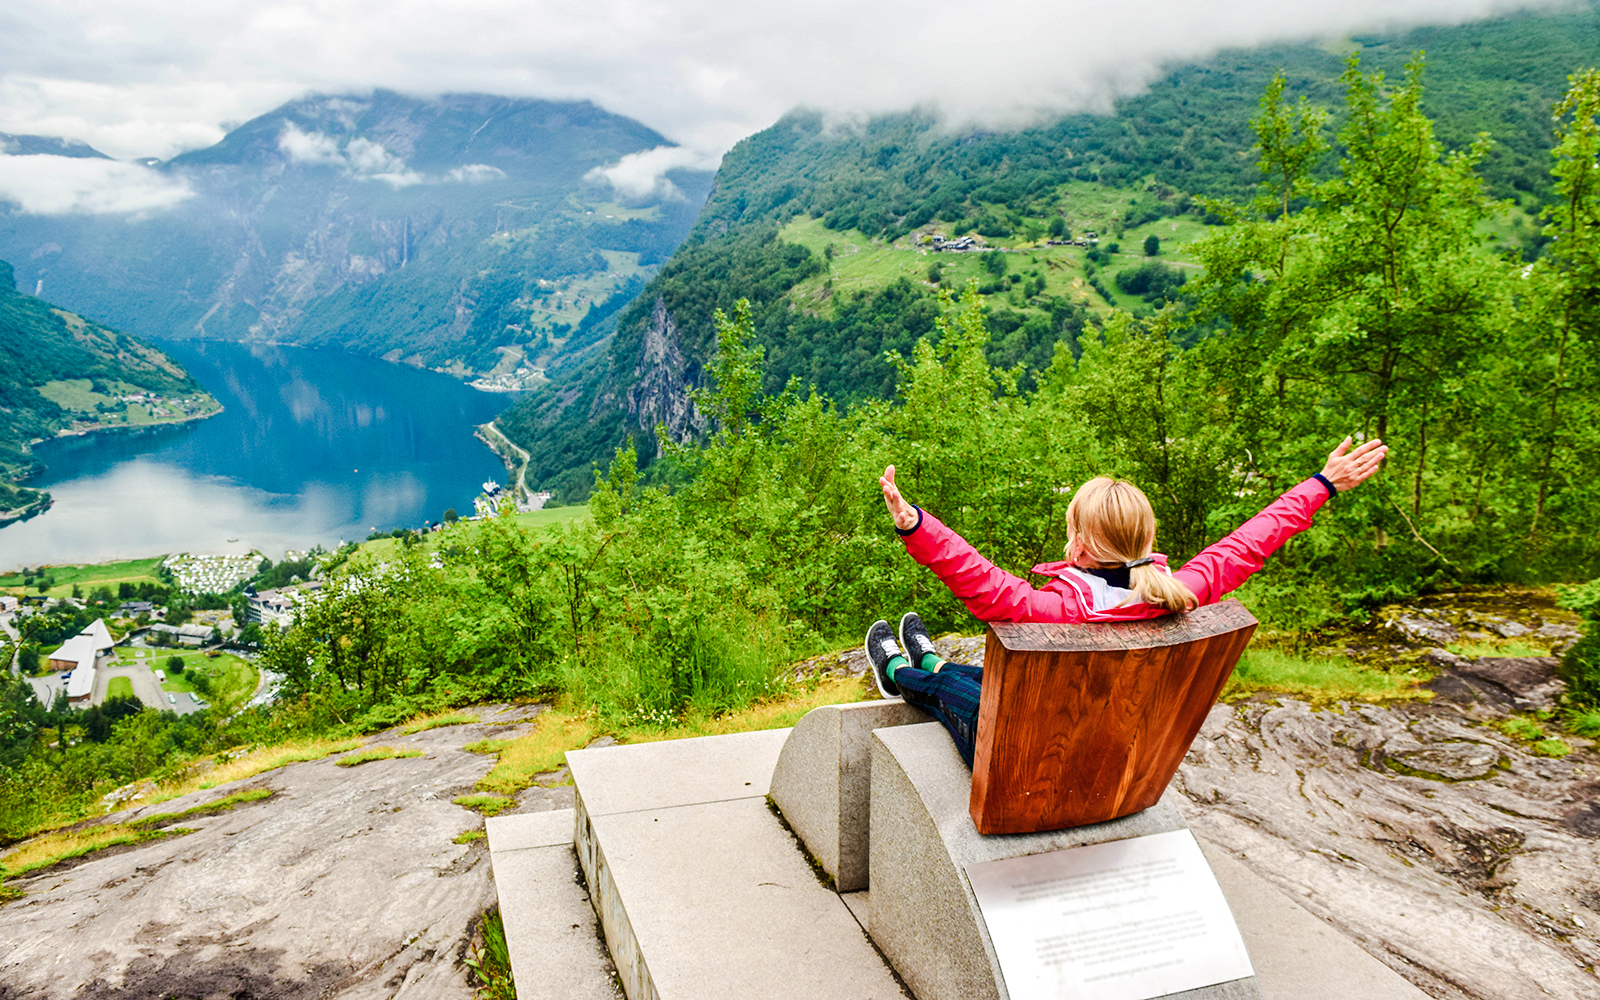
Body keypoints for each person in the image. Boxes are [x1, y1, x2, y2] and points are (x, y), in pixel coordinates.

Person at [864, 435, 1389, 764]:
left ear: (1081, 546)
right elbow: (1249, 543)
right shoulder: (1184, 593)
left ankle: (900, 674)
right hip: (1121, 755)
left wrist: (915, 524)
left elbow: (980, 580)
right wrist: (1322, 483)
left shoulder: (1055, 614)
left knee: (953, 685)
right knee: (981, 676)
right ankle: (930, 658)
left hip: (1032, 757)